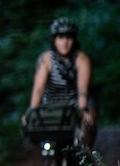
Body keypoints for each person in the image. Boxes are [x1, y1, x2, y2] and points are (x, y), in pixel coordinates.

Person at [27, 16, 96, 148]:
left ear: (73, 40)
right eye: (60, 37)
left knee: (85, 135)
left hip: (77, 102)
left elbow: (83, 90)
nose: (65, 42)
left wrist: (82, 111)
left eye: (68, 37)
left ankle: (85, 162)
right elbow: (38, 89)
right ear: (54, 40)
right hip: (54, 104)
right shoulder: (46, 59)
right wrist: (32, 111)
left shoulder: (81, 59)